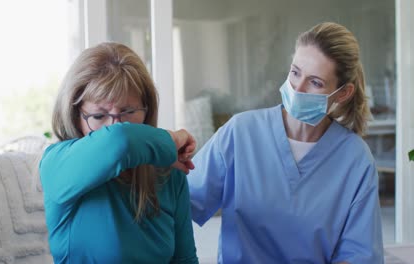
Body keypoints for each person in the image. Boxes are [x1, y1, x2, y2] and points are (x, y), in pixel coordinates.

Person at [187, 22, 384, 263]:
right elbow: (182, 202)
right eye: (295, 72)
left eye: (315, 82)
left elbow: (358, 257)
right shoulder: (240, 134)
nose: (297, 88)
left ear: (342, 93)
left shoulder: (355, 160)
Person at [39, 42, 199, 263]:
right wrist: (172, 140)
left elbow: (185, 260)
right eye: (98, 116)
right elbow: (118, 140)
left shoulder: (169, 175)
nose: (114, 125)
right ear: (75, 115)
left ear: (147, 110)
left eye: (129, 111)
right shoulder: (56, 165)